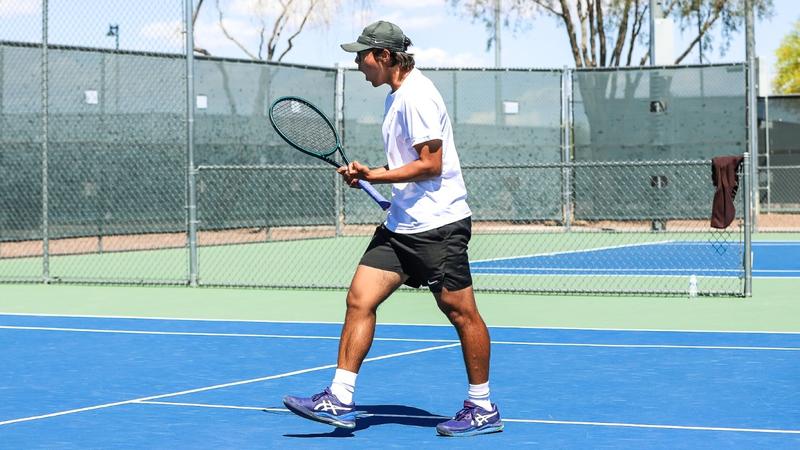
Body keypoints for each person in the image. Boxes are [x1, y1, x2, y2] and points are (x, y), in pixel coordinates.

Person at [283, 20, 503, 438]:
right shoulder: (396, 96)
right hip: (400, 227)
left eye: (362, 56)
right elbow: (409, 163)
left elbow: (431, 165)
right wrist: (372, 173)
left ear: (384, 56)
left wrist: (377, 176)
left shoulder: (417, 96)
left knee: (461, 313)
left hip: (438, 227)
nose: (357, 64)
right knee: (359, 299)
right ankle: (339, 396)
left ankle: (482, 407)